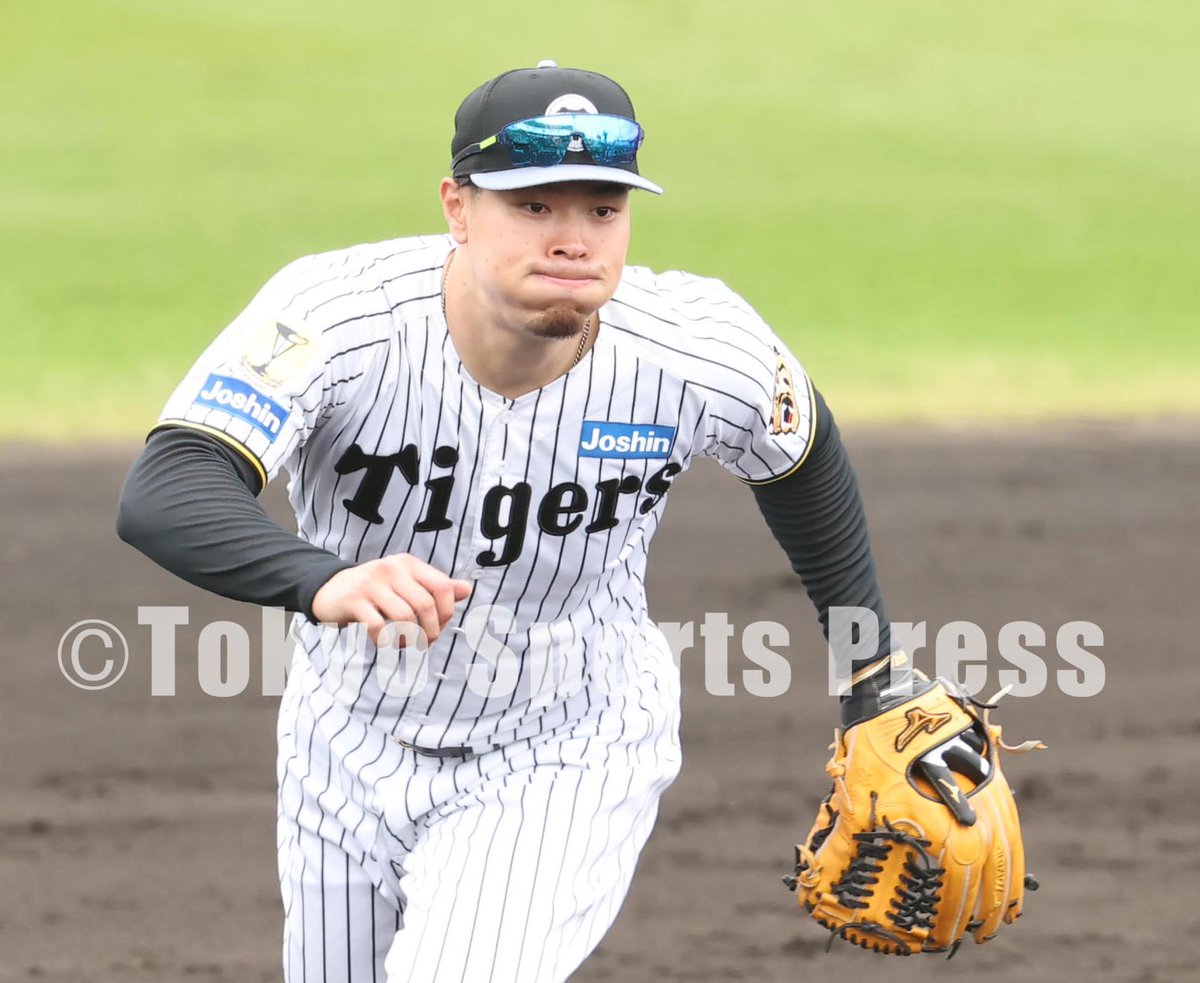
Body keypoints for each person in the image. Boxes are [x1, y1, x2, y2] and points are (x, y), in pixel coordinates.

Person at [118, 60, 1025, 981]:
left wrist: (871, 666)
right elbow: (170, 482)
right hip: (342, 741)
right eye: (534, 205)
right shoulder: (335, 318)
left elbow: (802, 454)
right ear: (457, 207)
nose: (573, 239)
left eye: (602, 208)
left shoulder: (697, 345)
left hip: (567, 747)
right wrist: (324, 578)